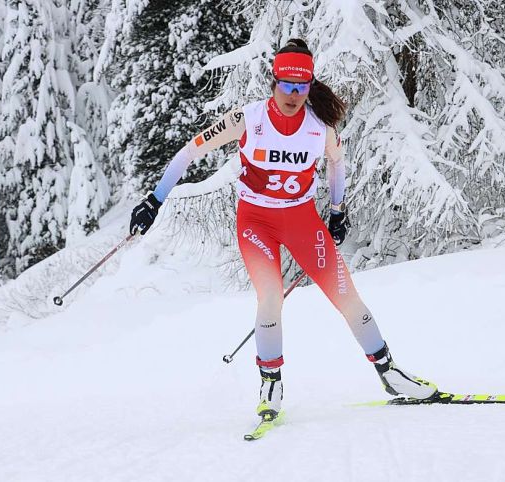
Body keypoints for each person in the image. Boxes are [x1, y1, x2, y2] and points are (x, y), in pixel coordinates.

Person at [128, 39, 437, 420]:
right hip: (255, 221)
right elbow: (190, 151)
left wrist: (338, 211)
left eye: (301, 86)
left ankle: (390, 373)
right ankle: (271, 382)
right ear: (273, 82)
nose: (293, 95)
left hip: (301, 220)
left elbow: (337, 164)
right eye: (286, 85)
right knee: (270, 296)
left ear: (310, 86)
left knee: (346, 295)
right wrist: (154, 200)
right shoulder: (246, 119)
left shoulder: (319, 130)